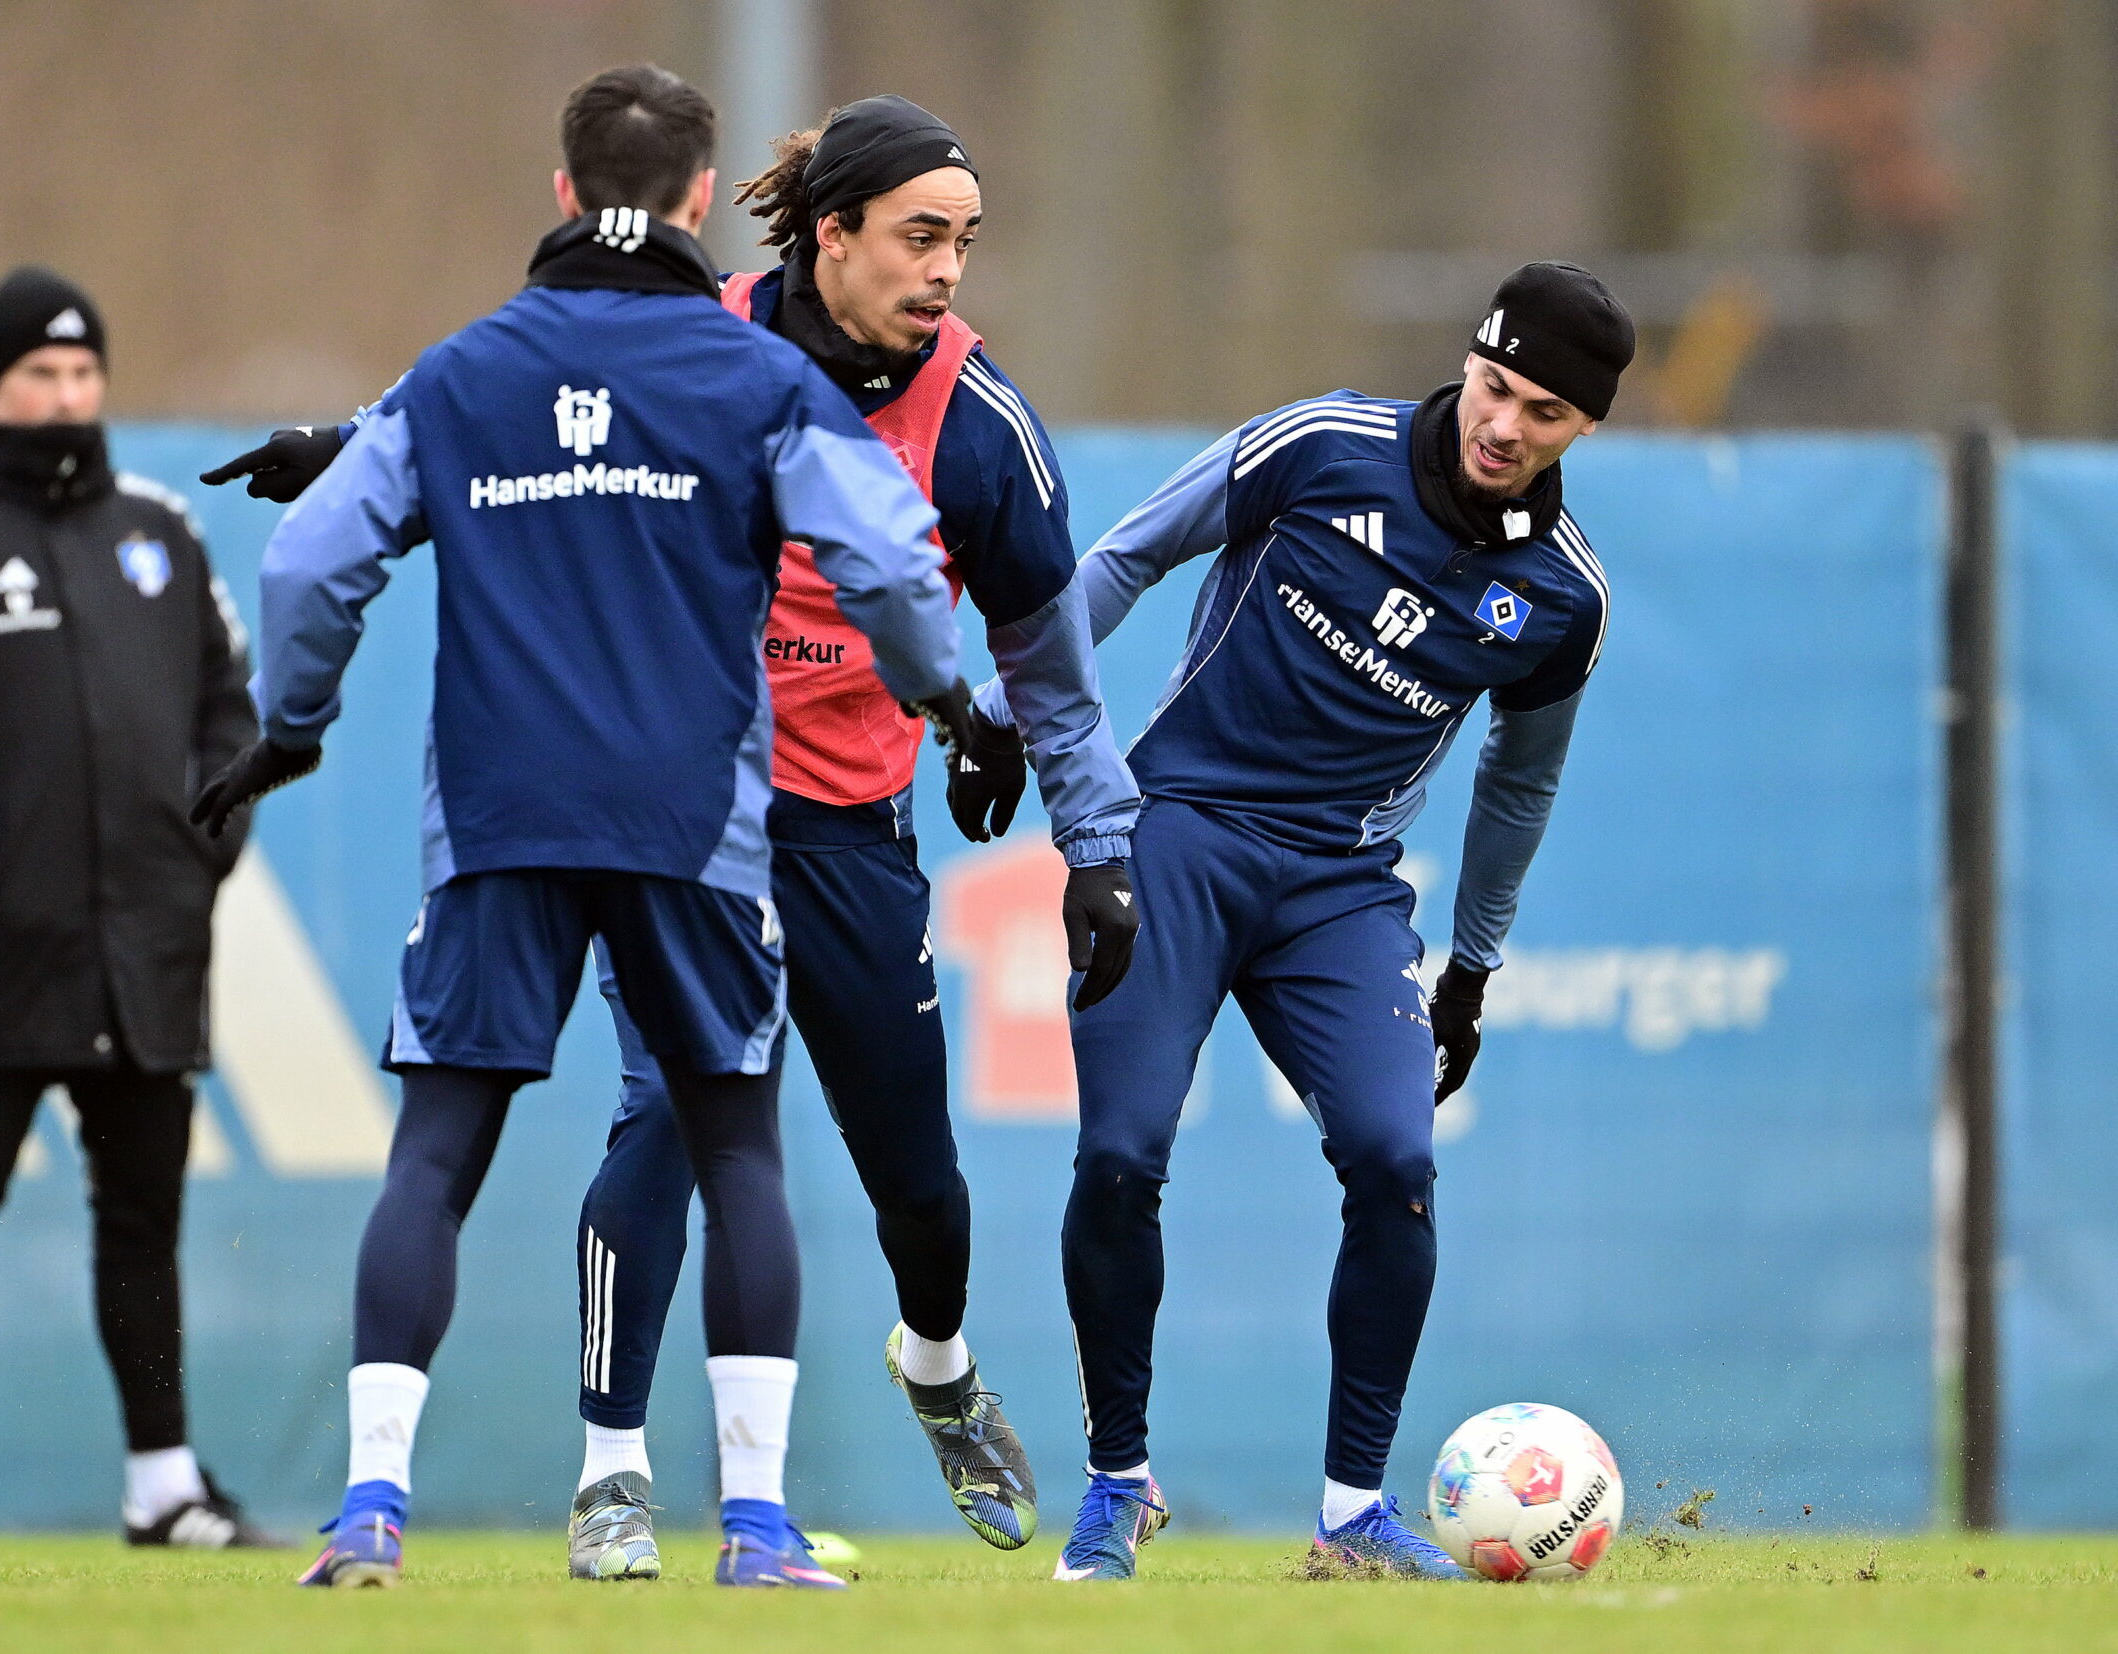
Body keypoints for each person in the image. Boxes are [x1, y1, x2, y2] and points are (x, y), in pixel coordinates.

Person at [208, 92, 1143, 1583]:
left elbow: (1045, 650)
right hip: (696, 807)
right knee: (678, 1125)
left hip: (842, 821)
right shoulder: (704, 340)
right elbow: (514, 384)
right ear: (821, 233)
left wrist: (1088, 832)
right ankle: (617, 1475)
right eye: (918, 237)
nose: (947, 271)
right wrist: (358, 436)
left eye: (965, 243)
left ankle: (939, 1360)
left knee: (914, 1172)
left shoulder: (974, 419)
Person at [988, 262, 1633, 1580]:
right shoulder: (1324, 444)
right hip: (1177, 836)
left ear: (1585, 430)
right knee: (1120, 1153)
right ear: (1472, 360)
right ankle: (1119, 1482)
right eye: (1498, 387)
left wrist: (1474, 964)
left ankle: (1351, 1514)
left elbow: (1523, 780)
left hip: (1339, 887)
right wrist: (1018, 712)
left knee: (1398, 1160)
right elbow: (1127, 556)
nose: (1506, 425)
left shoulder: (1562, 600)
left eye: (1547, 414)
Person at [0, 267, 275, 1549]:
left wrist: (208, 837)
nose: (67, 397)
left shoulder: (160, 529)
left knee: (142, 1219)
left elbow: (227, 705)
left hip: (148, 943)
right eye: (41, 375)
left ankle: (163, 1486)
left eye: (84, 375)